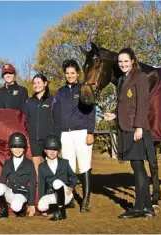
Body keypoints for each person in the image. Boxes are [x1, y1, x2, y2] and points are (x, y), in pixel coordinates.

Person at [103, 48, 155, 219]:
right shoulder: (122, 80)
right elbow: (126, 104)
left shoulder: (139, 77)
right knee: (137, 167)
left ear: (132, 60)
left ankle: (139, 207)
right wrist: (115, 115)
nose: (123, 64)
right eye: (120, 62)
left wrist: (140, 127)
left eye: (126, 61)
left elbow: (142, 103)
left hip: (135, 129)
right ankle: (148, 207)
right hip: (126, 126)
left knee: (138, 168)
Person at [53, 59, 96, 212]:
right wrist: (57, 135)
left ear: (77, 74)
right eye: (67, 73)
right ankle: (70, 198)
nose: (70, 75)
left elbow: (91, 111)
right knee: (69, 167)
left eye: (73, 73)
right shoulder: (60, 92)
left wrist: (90, 132)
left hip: (82, 132)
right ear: (65, 75)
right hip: (65, 134)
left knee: (84, 166)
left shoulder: (84, 88)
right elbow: (56, 115)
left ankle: (85, 200)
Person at [0, 132, 37, 219]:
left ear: (24, 148)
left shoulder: (29, 163)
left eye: (20, 147)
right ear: (11, 148)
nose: (17, 149)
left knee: (16, 207)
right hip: (10, 191)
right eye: (14, 147)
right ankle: (4, 211)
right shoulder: (7, 163)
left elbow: (33, 184)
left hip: (22, 193)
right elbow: (2, 181)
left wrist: (31, 204)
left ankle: (22, 209)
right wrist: (2, 191)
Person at [37, 135, 78, 221]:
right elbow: (41, 185)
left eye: (55, 149)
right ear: (45, 150)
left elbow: (74, 177)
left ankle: (62, 213)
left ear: (59, 150)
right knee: (41, 206)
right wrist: (42, 201)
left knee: (57, 182)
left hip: (65, 193)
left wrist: (72, 187)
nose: (52, 152)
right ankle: (57, 208)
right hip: (52, 194)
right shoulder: (41, 167)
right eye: (49, 149)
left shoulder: (64, 163)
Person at [21, 74, 56, 175]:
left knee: (50, 166)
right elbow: (25, 120)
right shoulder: (29, 102)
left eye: (39, 82)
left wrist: (56, 137)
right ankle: (39, 189)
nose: (36, 85)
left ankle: (51, 189)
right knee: (36, 167)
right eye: (34, 83)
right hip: (34, 140)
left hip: (49, 139)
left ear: (45, 83)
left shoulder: (53, 101)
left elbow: (57, 121)